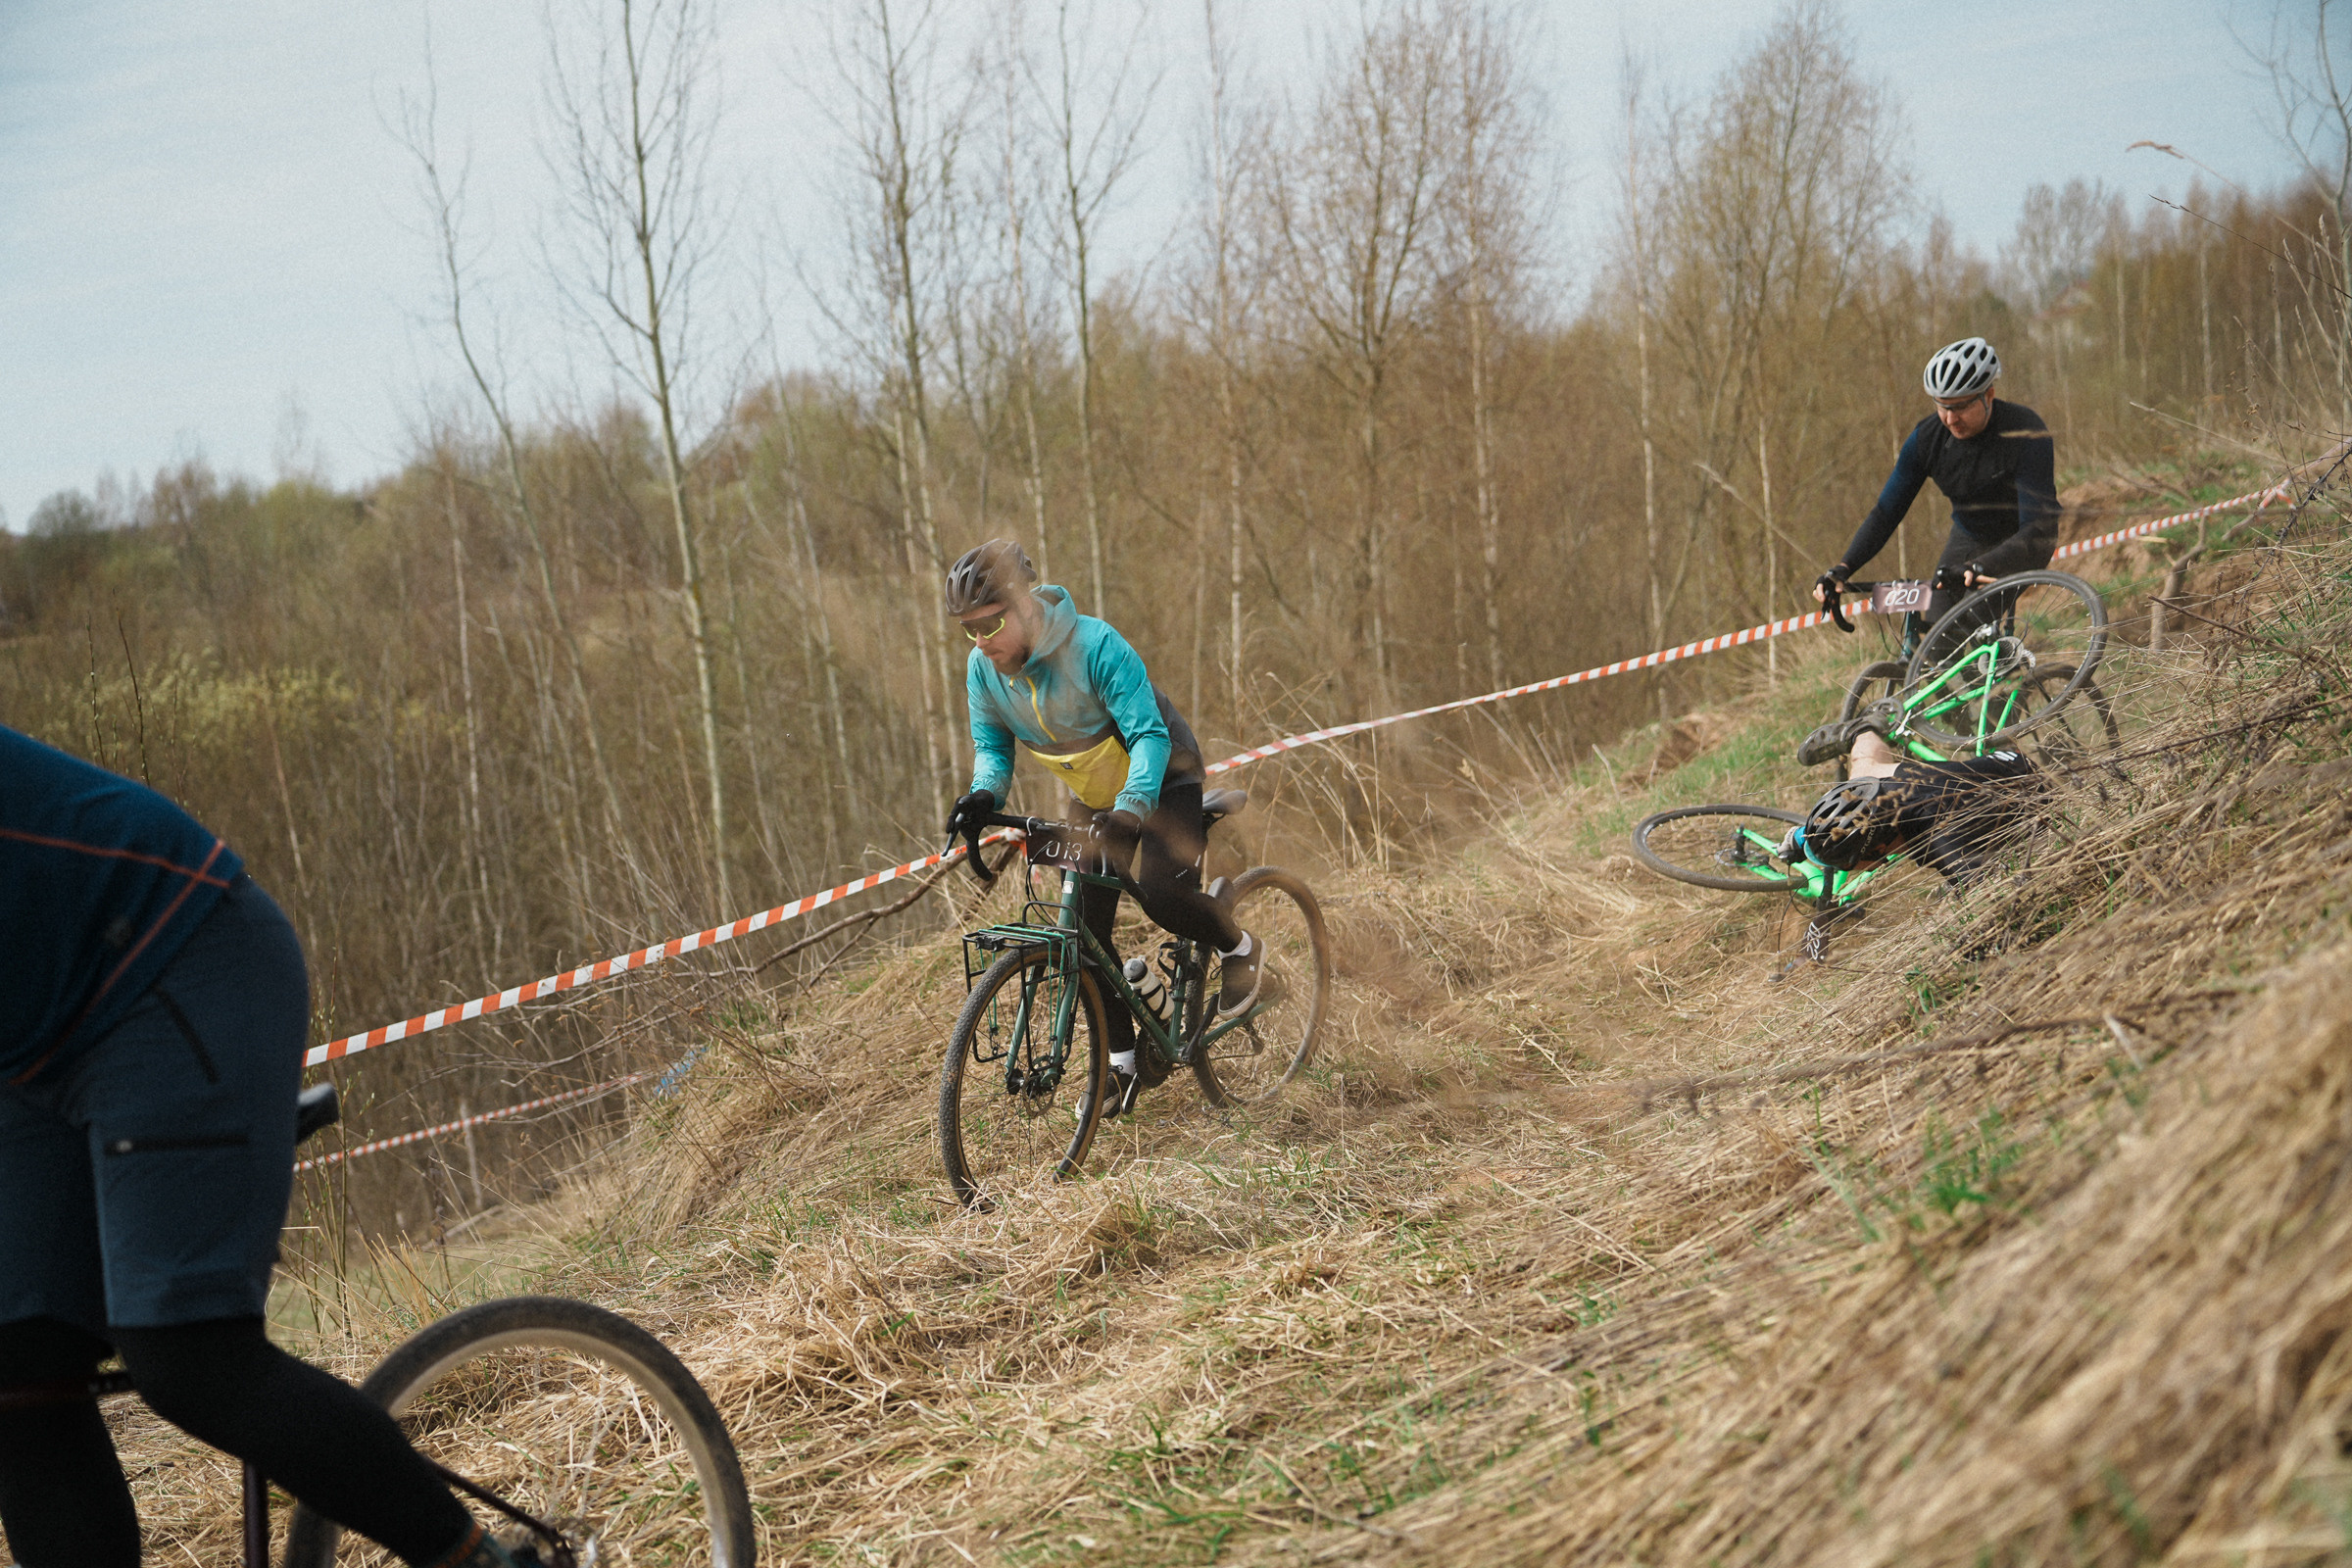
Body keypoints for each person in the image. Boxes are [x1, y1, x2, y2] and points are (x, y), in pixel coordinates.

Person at [0, 724, 528, 1568]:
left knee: (187, 1357)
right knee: (17, 1365)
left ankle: (477, 1562)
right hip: (41, 1051)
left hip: (171, 967)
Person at [940, 539, 1259, 1118]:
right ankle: (1124, 1059)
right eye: (969, 630)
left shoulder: (1095, 646)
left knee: (1163, 897)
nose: (981, 642)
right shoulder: (983, 671)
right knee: (1083, 935)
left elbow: (1148, 737)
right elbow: (993, 748)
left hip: (1163, 779)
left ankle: (1241, 947)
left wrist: (1134, 808)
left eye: (991, 624)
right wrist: (984, 794)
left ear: (1025, 603)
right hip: (1094, 798)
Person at [1812, 336, 2061, 629]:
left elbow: (2037, 526)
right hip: (1970, 536)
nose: (1951, 419)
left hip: (2025, 538)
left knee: (1971, 618)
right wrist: (1844, 567)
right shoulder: (1927, 440)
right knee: (1937, 633)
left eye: (1961, 407)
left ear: (1989, 395)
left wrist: (1982, 566)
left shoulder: (2025, 431)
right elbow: (1886, 512)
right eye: (1942, 407)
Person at [1783, 724, 2041, 891]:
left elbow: (1991, 895)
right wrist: (1803, 837)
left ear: (1878, 850)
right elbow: (1853, 806)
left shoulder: (1941, 840)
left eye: (1849, 866)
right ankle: (1861, 728)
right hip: (2005, 763)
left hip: (2036, 793)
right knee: (1865, 763)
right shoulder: (1880, 790)